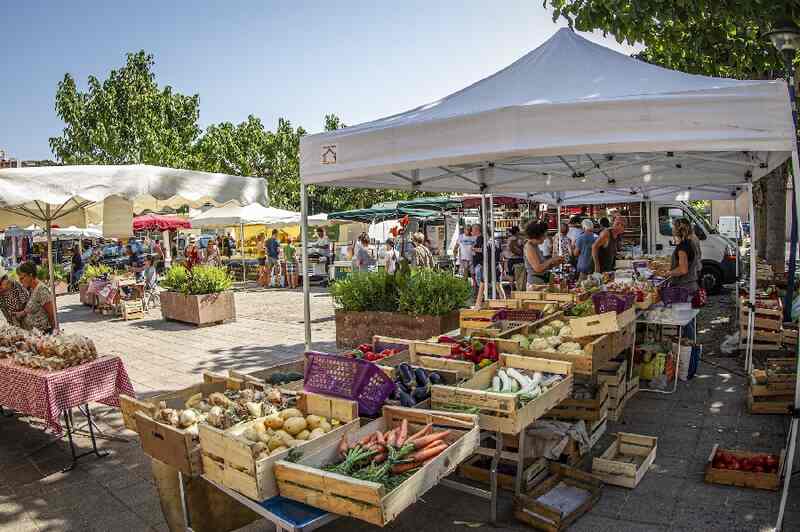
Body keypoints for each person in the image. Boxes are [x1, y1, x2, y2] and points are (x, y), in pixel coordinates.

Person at [14, 261, 55, 334]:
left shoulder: (41, 290)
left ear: (30, 275)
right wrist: (22, 313)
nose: (20, 281)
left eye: (22, 278)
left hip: (43, 334)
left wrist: (53, 333)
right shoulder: (31, 289)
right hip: (33, 333)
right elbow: (33, 307)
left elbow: (52, 314)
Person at [524, 221, 564, 289]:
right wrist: (552, 259)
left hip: (540, 282)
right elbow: (538, 268)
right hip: (535, 284)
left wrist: (555, 263)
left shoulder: (534, 246)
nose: (545, 238)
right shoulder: (529, 247)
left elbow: (543, 266)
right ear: (538, 235)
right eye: (544, 235)